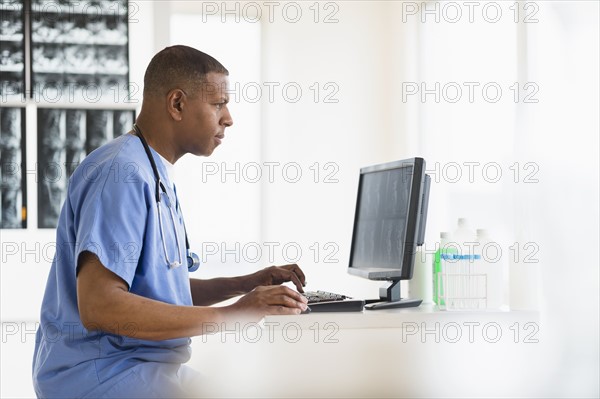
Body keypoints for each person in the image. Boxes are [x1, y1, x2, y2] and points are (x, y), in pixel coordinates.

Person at [32, 45, 309, 398]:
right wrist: (236, 314)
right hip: (100, 376)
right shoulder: (123, 173)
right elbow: (100, 305)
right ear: (177, 104)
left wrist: (247, 283)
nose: (229, 118)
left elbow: (160, 294)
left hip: (138, 368)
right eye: (218, 103)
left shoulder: (152, 172)